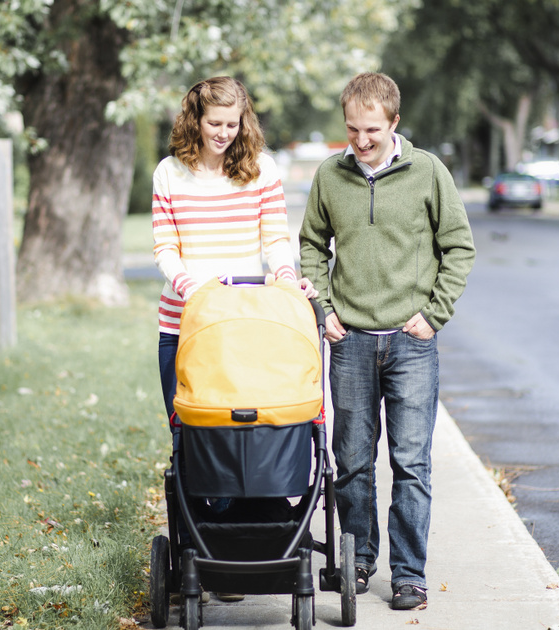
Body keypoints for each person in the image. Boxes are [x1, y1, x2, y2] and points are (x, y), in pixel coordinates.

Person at [298, 72, 475, 612]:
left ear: (394, 122)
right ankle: (358, 558)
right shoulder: (331, 175)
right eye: (352, 129)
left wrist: (434, 314)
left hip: (410, 343)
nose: (361, 140)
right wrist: (323, 310)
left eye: (371, 129)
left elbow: (459, 247)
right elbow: (309, 246)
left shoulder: (428, 172)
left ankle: (408, 574)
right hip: (349, 341)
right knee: (351, 461)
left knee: (411, 462)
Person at [152, 76, 316, 603]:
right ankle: (210, 559)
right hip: (186, 326)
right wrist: (194, 288)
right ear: (195, 120)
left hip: (249, 327)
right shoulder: (169, 174)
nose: (224, 134)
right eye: (214, 124)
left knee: (250, 435)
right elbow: (164, 245)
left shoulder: (261, 168)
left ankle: (253, 549)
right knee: (198, 441)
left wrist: (286, 276)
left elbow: (274, 236)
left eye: (233, 124)